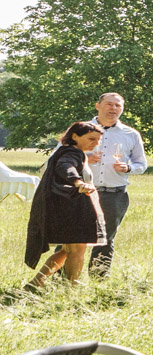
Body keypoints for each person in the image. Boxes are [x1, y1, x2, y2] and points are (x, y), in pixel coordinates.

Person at [26, 121, 107, 289]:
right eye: (91, 138)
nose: (96, 143)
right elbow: (65, 167)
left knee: (66, 250)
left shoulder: (69, 151)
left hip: (66, 208)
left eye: (98, 140)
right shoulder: (71, 153)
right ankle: (71, 289)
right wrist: (78, 181)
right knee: (76, 251)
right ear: (75, 136)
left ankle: (35, 283)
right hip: (71, 210)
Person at [86, 92, 147, 275]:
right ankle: (62, 279)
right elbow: (58, 156)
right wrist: (83, 158)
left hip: (114, 195)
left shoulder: (131, 134)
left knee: (105, 239)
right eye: (109, 104)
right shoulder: (80, 129)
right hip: (82, 193)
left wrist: (128, 168)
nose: (113, 108)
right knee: (71, 238)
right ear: (98, 106)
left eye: (118, 105)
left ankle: (99, 280)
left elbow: (141, 164)